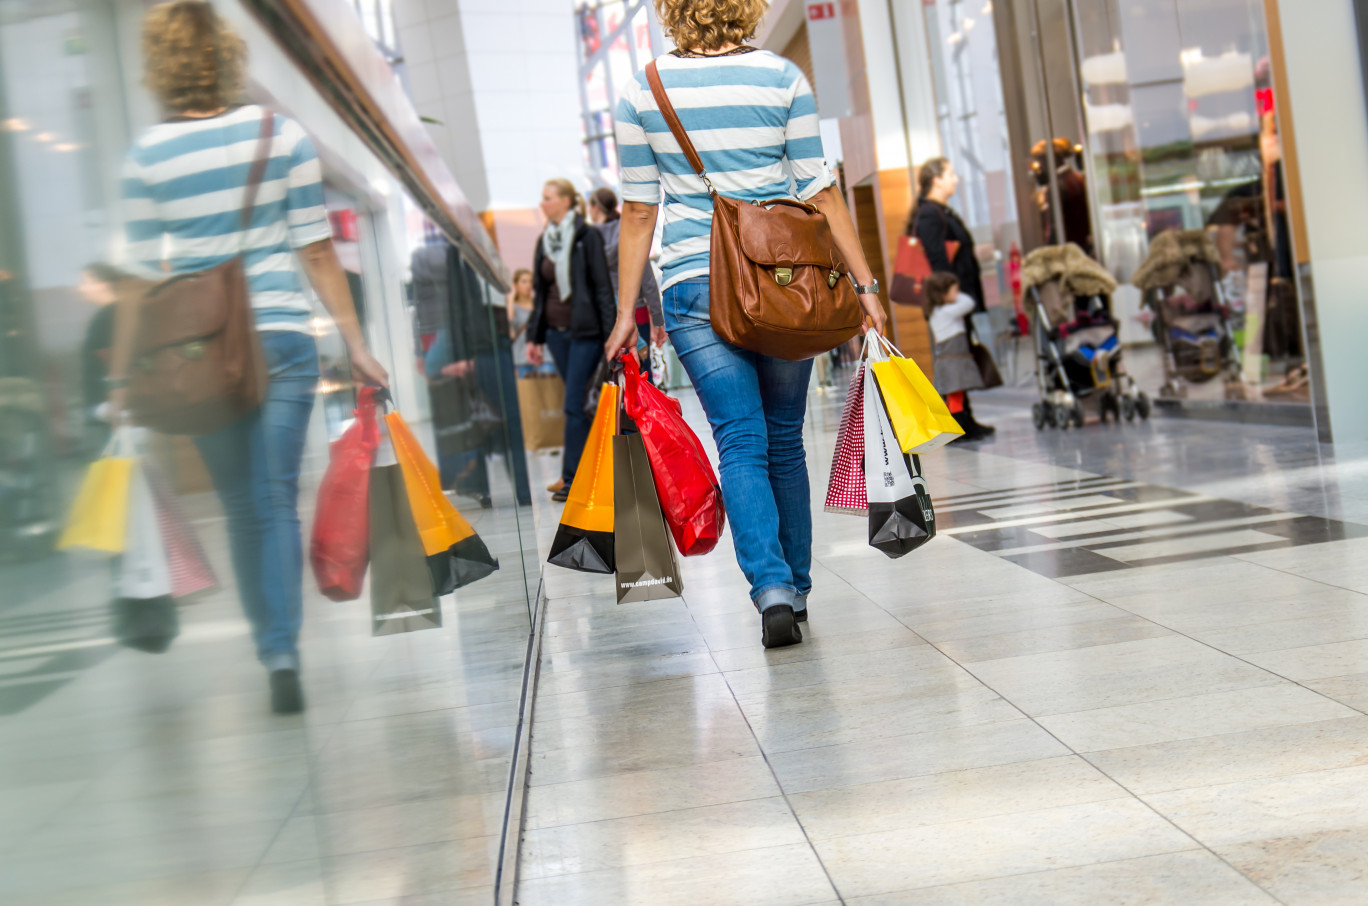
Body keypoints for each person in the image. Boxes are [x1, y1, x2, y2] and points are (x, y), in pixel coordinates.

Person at [109, 1, 388, 714]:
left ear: (161, 66)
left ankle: (273, 646)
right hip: (282, 341)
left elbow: (139, 281)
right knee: (272, 500)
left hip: (200, 354)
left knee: (239, 506)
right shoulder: (280, 136)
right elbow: (317, 252)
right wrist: (355, 344)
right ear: (226, 57)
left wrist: (119, 373)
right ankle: (284, 651)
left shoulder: (146, 158)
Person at [607, 0, 887, 649]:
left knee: (740, 437)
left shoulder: (641, 90)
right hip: (780, 278)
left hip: (691, 280)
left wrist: (628, 312)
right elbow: (820, 190)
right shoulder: (782, 78)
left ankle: (771, 592)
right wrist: (865, 287)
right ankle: (796, 584)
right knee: (784, 439)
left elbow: (639, 212)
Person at [526, 179, 615, 502]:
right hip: (555, 334)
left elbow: (603, 287)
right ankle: (597, 467)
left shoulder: (586, 237)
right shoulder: (544, 242)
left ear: (565, 201)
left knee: (574, 404)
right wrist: (534, 337)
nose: (543, 204)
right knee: (579, 404)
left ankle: (571, 478)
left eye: (548, 198)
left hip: (586, 333)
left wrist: (611, 336)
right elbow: (540, 293)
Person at [907, 157, 994, 436]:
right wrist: (951, 299)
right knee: (954, 359)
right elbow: (937, 260)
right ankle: (959, 421)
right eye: (951, 174)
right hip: (948, 304)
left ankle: (964, 417)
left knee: (959, 356)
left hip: (953, 301)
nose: (956, 179)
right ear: (936, 180)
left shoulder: (939, 212)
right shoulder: (931, 215)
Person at [587, 187, 666, 379]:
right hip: (637, 314)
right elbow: (647, 280)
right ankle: (645, 409)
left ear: (595, 208)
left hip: (607, 318)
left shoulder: (590, 240)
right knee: (642, 375)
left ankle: (623, 409)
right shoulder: (627, 233)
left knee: (615, 377)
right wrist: (658, 320)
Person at [924, 272, 990, 440]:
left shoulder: (937, 312)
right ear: (942, 294)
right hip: (953, 361)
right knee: (955, 398)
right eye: (954, 290)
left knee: (954, 397)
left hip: (952, 360)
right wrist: (958, 295)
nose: (958, 294)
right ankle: (960, 430)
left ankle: (960, 428)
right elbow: (968, 303)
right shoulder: (946, 311)